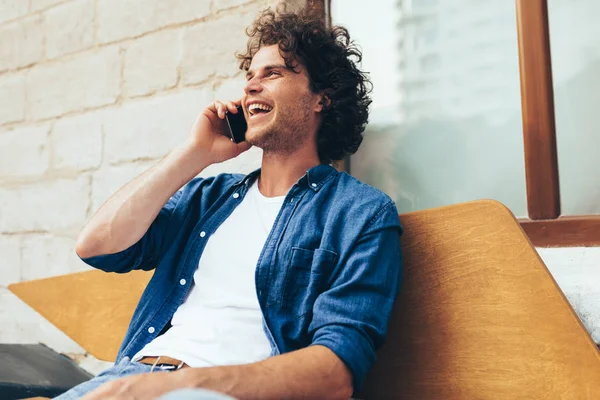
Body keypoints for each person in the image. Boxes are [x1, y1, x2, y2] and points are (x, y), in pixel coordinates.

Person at [56, 5, 402, 400]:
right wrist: (194, 153)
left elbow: (336, 372)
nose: (251, 86)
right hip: (127, 379)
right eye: (249, 76)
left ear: (321, 99)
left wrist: (177, 384)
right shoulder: (209, 198)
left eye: (273, 73)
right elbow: (97, 247)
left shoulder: (359, 214)